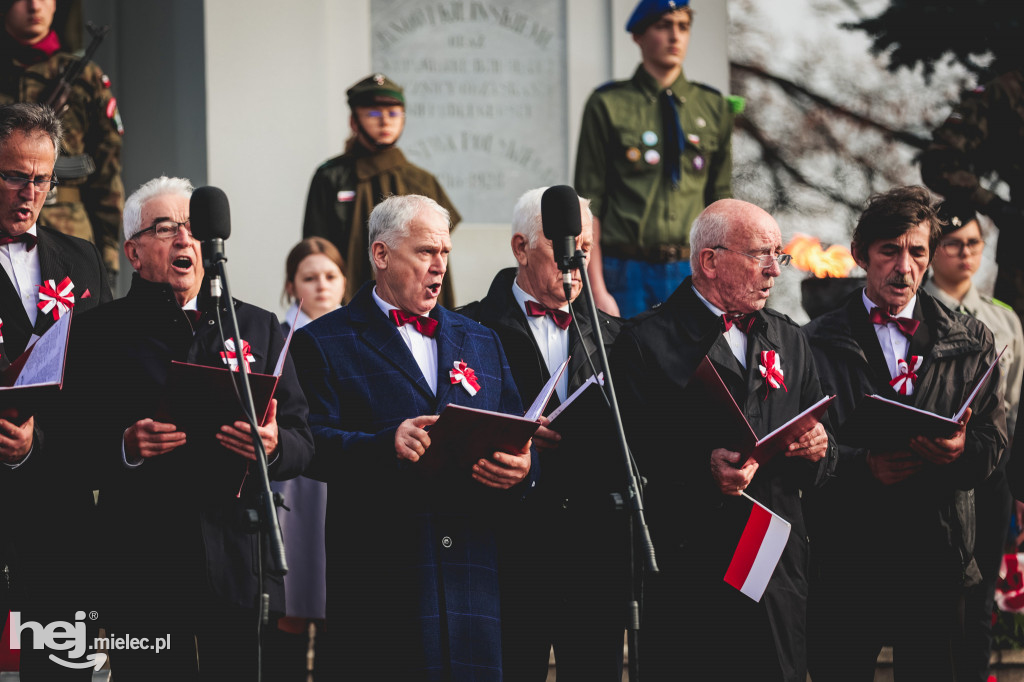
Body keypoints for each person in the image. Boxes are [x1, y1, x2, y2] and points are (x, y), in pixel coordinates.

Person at [62, 176, 314, 680]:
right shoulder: (95, 333)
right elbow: (66, 447)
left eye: (193, 228)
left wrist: (273, 444)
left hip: (241, 557)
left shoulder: (257, 327)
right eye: (164, 228)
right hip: (142, 562)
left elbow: (303, 439)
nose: (184, 238)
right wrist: (125, 446)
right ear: (133, 253)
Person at [290, 194, 534, 680]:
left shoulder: (481, 338)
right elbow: (309, 445)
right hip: (381, 582)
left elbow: (517, 431)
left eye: (444, 253)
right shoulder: (322, 341)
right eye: (425, 252)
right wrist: (385, 444)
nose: (439, 266)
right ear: (381, 255)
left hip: (471, 582)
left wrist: (525, 469)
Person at [610, 198, 835, 680]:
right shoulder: (644, 340)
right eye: (760, 254)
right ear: (710, 260)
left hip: (774, 568)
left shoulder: (790, 338)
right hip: (690, 571)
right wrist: (701, 466)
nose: (775, 270)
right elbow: (622, 455)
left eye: (780, 255)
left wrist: (820, 449)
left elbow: (823, 446)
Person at [802, 185, 1007, 681]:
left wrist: (959, 450)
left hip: (936, 557)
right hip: (847, 559)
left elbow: (994, 442)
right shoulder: (814, 342)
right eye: (889, 251)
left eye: (917, 251)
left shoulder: (971, 338)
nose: (904, 266)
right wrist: (862, 465)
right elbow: (803, 449)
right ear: (861, 256)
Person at [459, 188, 626, 680]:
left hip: (594, 554)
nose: (575, 260)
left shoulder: (616, 336)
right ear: (520, 248)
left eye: (586, 247)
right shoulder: (469, 327)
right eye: (563, 246)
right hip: (509, 551)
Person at [0, 102, 110, 679]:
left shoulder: (81, 258)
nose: (30, 191)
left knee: (61, 670)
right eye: (14, 175)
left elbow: (104, 378)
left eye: (41, 178)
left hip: (61, 509)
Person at [574, 0, 735, 318]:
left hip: (691, 270)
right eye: (663, 26)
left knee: (691, 367)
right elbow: (588, 206)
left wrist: (725, 283)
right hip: (622, 271)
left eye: (683, 26)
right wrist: (597, 289)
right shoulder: (608, 104)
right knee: (624, 366)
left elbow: (721, 205)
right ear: (638, 36)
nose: (675, 36)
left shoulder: (713, 106)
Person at [923, 199, 1023, 682]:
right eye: (953, 244)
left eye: (974, 245)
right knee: (931, 604)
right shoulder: (912, 312)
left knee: (980, 606)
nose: (965, 254)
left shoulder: (1005, 321)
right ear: (933, 249)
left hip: (989, 473)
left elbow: (1017, 410)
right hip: (927, 470)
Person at [302, 73, 461, 308]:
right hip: (348, 305)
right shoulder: (330, 177)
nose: (385, 121)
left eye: (394, 114)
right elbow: (317, 248)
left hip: (414, 303)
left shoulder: (421, 181)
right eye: (374, 114)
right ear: (354, 122)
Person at [0, 0, 125, 290]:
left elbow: (107, 175)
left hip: (71, 235)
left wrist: (108, 255)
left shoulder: (86, 78)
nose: (34, 6)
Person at [266, 236, 344, 680]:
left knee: (338, 595)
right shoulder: (275, 335)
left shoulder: (361, 336)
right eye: (309, 278)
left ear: (344, 280)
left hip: (340, 476)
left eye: (330, 276)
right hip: (294, 481)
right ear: (292, 285)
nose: (321, 286)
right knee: (292, 596)